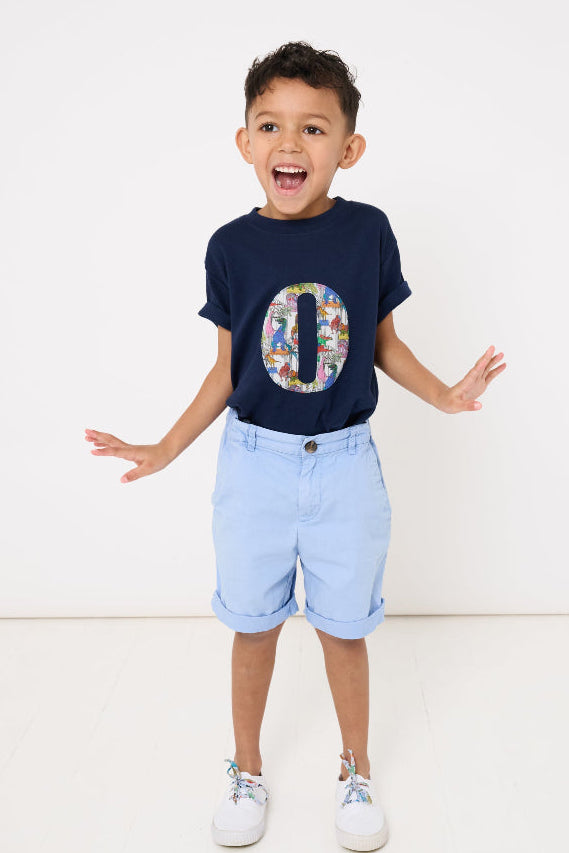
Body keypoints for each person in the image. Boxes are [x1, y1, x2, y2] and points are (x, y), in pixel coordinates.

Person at [84, 41, 506, 852]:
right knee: (253, 624)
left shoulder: (367, 233)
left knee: (344, 628)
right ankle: (245, 767)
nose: (289, 144)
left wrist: (446, 394)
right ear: (244, 142)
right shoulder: (230, 247)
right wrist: (168, 447)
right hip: (254, 466)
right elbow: (228, 370)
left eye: (313, 129)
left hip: (345, 465)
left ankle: (355, 770)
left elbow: (385, 345)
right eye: (269, 125)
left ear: (347, 149)